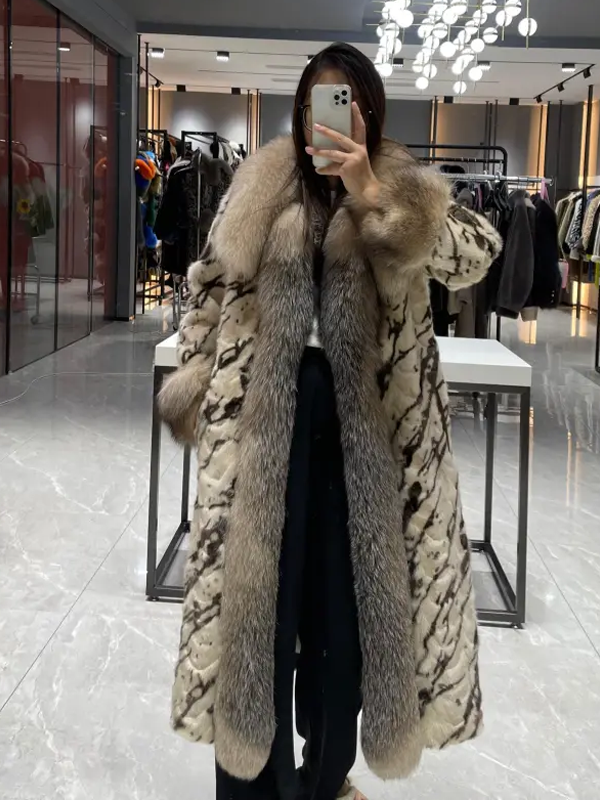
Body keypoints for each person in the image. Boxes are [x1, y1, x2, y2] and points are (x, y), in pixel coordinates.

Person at [159, 42, 502, 800]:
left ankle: (325, 778)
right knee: (260, 615)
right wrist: (196, 384)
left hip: (367, 441)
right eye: (319, 103)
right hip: (265, 428)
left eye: (347, 104)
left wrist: (375, 192)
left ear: (369, 112)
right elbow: (208, 287)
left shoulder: (398, 186)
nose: (331, 121)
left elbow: (478, 254)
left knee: (342, 623)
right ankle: (253, 784)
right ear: (301, 110)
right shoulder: (261, 183)